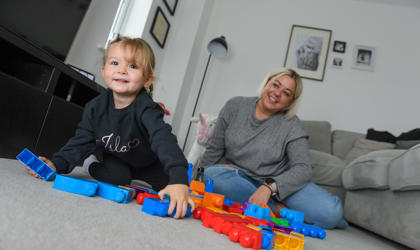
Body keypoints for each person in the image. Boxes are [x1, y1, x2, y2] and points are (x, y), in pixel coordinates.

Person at [26, 36, 194, 218]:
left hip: (148, 163)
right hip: (118, 158)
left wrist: (178, 180)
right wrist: (56, 164)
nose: (122, 70)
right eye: (115, 63)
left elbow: (163, 138)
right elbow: (81, 141)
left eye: (132, 66)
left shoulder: (147, 108)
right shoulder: (94, 108)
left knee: (173, 188)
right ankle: (91, 164)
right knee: (117, 178)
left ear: (147, 80)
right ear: (104, 71)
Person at [198, 67, 347, 229]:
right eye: (275, 85)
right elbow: (214, 150)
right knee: (210, 174)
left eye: (286, 93)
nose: (277, 93)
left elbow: (303, 168)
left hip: (279, 184)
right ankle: (276, 209)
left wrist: (269, 187)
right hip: (239, 178)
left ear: (290, 101)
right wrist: (193, 182)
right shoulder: (235, 106)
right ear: (266, 83)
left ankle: (265, 206)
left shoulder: (293, 125)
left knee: (331, 212)